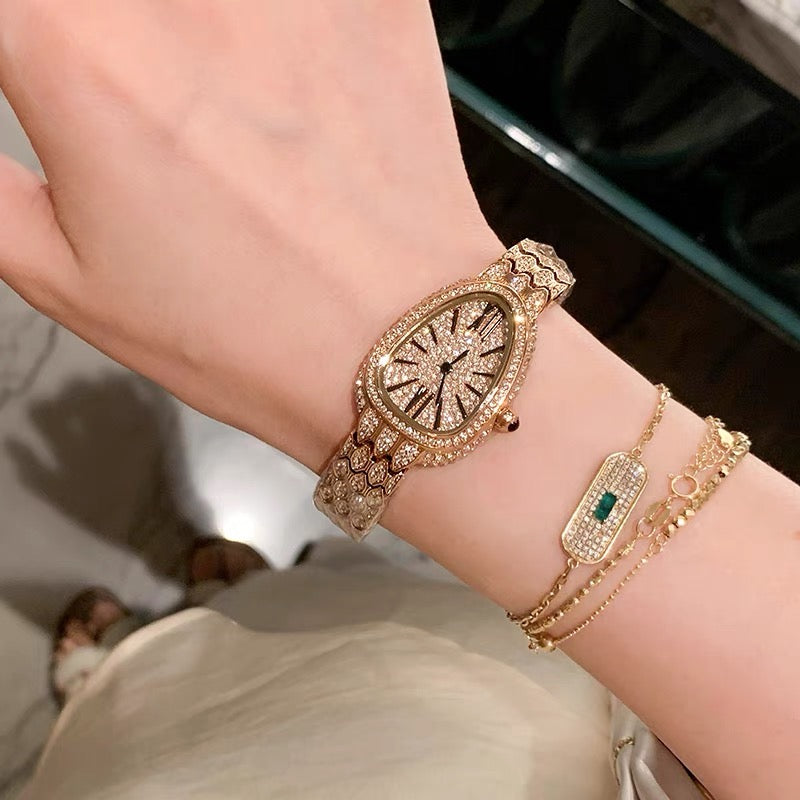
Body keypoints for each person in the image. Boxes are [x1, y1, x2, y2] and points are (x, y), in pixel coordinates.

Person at [0, 3, 796, 798]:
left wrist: (390, 309)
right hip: (597, 668)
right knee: (325, 623)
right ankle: (227, 610)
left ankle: (126, 672)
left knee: (197, 726)